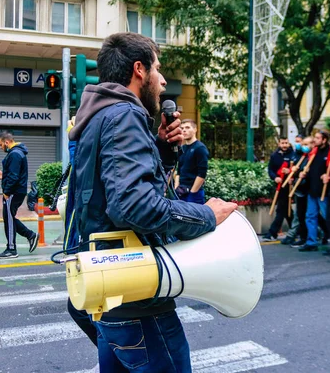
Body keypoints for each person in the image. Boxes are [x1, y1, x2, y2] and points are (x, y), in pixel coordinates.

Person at [68, 32, 237, 372]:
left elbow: (107, 195)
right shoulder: (124, 117)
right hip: (138, 299)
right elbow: (133, 206)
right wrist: (206, 214)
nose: (162, 81)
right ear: (139, 70)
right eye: (158, 69)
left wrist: (159, 148)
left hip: (110, 293)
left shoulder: (98, 116)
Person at [0, 131, 38, 259]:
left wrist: (7, 192)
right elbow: (13, 174)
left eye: (1, 145)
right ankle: (30, 235)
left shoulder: (15, 154)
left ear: (7, 142)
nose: (0, 147)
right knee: (9, 218)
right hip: (15, 191)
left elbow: (14, 176)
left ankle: (12, 249)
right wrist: (3, 176)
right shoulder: (16, 153)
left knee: (9, 218)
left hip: (13, 192)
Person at [298, 131, 330, 252]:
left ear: (324, 140)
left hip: (323, 191)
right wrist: (304, 174)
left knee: (329, 216)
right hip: (312, 190)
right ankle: (311, 242)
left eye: (318, 138)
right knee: (310, 216)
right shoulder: (314, 152)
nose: (315, 140)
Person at [261, 136, 294, 242]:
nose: (284, 145)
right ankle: (298, 230)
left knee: (282, 209)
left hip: (291, 186)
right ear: (279, 144)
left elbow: (297, 168)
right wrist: (275, 177)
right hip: (280, 186)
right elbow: (270, 169)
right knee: (286, 210)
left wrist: (290, 173)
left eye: (286, 143)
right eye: (282, 143)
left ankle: (272, 232)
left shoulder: (293, 155)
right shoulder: (275, 155)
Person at [175, 119, 209, 204]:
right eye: (182, 128)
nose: (184, 130)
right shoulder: (182, 148)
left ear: (195, 129)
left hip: (194, 194)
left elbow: (202, 174)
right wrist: (176, 189)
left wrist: (193, 193)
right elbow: (178, 171)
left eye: (187, 127)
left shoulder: (200, 148)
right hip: (180, 192)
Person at [282, 135, 307, 245]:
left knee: (301, 214)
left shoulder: (306, 156)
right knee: (302, 214)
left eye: (299, 142)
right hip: (297, 188)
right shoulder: (295, 154)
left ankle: (292, 234)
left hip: (305, 188)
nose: (297, 144)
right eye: (296, 141)